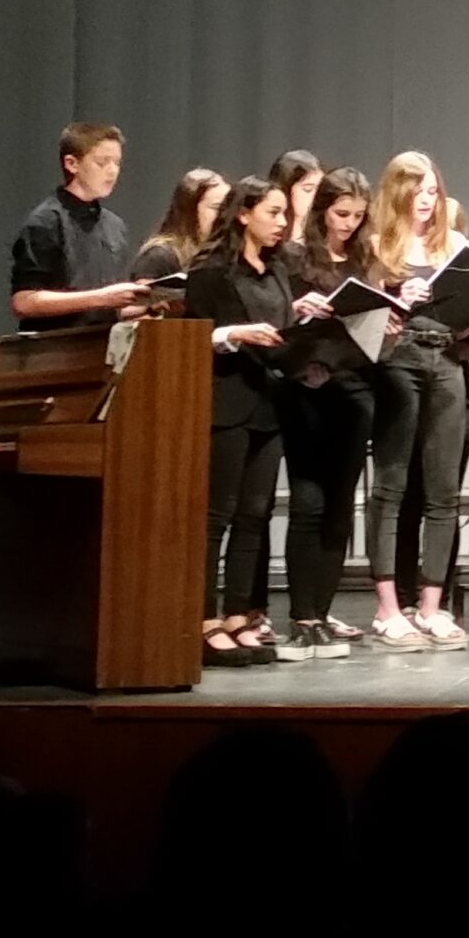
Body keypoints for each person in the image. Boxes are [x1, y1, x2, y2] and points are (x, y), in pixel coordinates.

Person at [186, 177, 301, 668]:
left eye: (282, 215)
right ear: (243, 214)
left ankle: (238, 614)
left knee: (255, 515)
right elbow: (193, 333)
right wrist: (236, 333)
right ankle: (201, 619)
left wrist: (303, 319)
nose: (281, 223)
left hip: (269, 401)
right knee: (217, 515)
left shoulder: (275, 270)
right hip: (226, 398)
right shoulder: (212, 269)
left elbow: (283, 328)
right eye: (273, 213)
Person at [362, 151, 469, 651]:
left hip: (447, 359)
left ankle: (430, 606)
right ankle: (388, 607)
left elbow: (468, 318)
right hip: (399, 357)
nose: (426, 201)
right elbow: (361, 312)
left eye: (433, 192)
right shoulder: (377, 245)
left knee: (444, 490)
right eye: (417, 191)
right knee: (390, 485)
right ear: (397, 192)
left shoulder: (454, 245)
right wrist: (397, 295)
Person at [276, 167, 381, 655]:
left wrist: (386, 325)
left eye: (358, 216)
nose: (349, 225)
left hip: (353, 389)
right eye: (341, 214)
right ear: (322, 211)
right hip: (307, 389)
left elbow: (369, 328)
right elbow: (278, 323)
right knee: (308, 503)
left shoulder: (364, 259)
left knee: (340, 507)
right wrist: (302, 313)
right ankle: (301, 617)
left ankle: (320, 612)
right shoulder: (295, 257)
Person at [9, 121, 145, 330]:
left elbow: (106, 309)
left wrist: (144, 302)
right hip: (54, 354)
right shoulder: (46, 221)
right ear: (72, 164)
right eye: (102, 162)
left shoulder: (114, 225)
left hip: (103, 350)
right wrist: (102, 297)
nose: (112, 171)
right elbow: (24, 302)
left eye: (117, 163)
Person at [130, 168, 227, 281]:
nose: (225, 214)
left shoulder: (224, 255)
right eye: (217, 207)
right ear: (190, 210)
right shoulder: (157, 258)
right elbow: (143, 297)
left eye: (229, 206)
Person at [267, 149, 323, 247]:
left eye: (321, 188)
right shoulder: (269, 234)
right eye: (308, 189)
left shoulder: (327, 233)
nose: (317, 195)